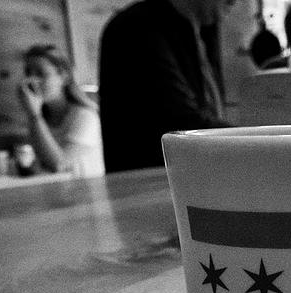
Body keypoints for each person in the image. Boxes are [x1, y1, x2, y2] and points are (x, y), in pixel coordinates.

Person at [99, 0, 253, 173]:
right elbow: (182, 124)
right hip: (149, 190)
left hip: (185, 184)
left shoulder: (202, 30)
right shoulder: (135, 27)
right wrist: (262, 140)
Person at [18, 45, 104, 178]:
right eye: (28, 73)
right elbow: (40, 162)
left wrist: (34, 115)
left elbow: (59, 164)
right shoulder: (41, 119)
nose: (31, 81)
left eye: (41, 74)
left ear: (63, 76)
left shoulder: (86, 116)